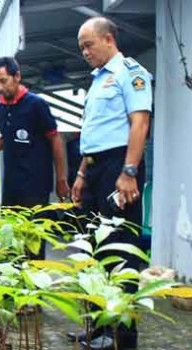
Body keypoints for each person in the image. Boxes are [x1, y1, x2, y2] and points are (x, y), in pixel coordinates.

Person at [68, 17, 152, 350]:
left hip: (120, 167)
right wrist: (81, 174)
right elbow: (94, 135)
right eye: (81, 47)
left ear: (109, 39)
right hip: (95, 169)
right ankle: (97, 327)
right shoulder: (98, 81)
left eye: (89, 44)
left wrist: (129, 172)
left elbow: (140, 124)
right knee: (93, 248)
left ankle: (121, 337)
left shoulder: (130, 73)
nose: (84, 52)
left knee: (121, 250)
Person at [0, 56, 70, 260]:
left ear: (17, 76)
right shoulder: (1, 108)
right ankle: (9, 291)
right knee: (9, 242)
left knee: (32, 245)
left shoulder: (36, 105)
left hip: (35, 187)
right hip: (11, 187)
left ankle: (33, 289)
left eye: (3, 81)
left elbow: (55, 139)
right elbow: (7, 139)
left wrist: (61, 179)